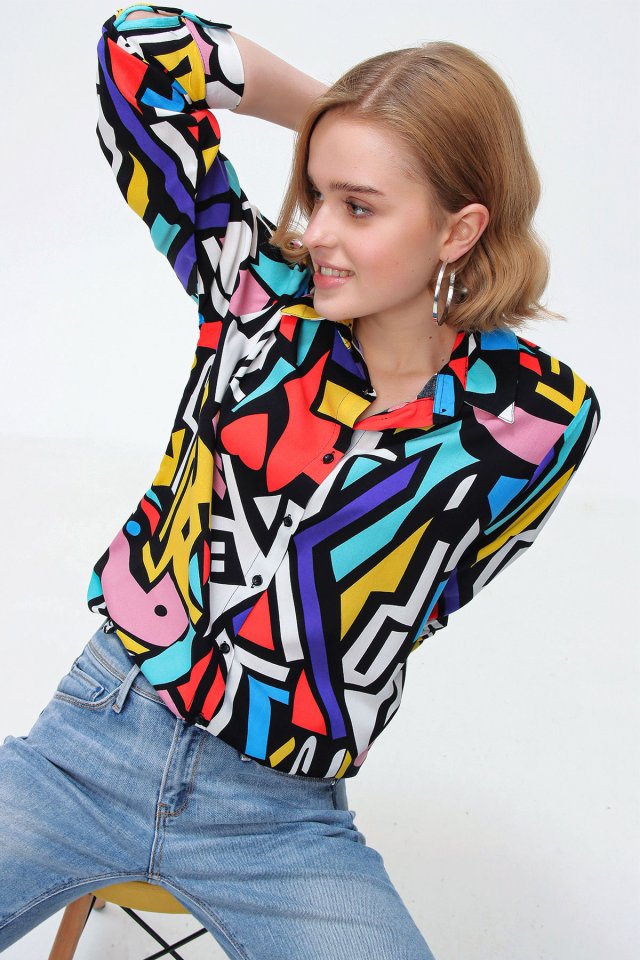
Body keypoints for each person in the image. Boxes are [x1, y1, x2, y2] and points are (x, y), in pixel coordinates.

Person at [0, 4, 601, 958]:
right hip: (94, 741)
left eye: (359, 206)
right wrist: (347, 119)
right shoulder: (256, 297)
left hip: (277, 817)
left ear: (459, 227)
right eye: (316, 194)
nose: (315, 230)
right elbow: (136, 52)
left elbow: (435, 595)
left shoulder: (537, 419)